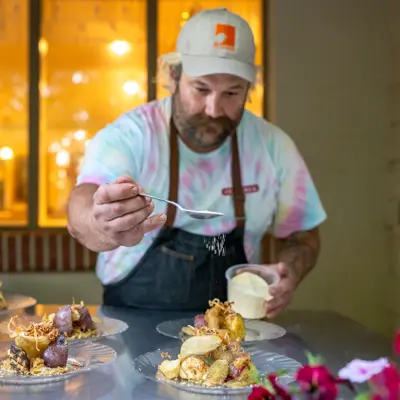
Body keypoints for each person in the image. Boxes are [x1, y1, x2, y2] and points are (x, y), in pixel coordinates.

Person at [67, 8, 327, 318]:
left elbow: (303, 236)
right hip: (133, 327)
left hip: (233, 335)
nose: (214, 109)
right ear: (175, 76)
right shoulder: (132, 135)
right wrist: (101, 223)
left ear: (249, 89)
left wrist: (289, 273)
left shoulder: (272, 147)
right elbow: (80, 208)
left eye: (232, 92)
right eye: (201, 89)